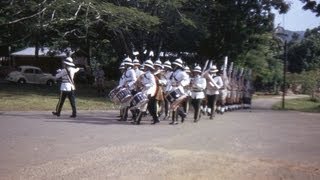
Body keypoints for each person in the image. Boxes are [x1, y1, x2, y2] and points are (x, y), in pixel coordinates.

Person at [134, 60, 159, 125]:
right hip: (146, 91)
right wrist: (141, 84)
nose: (144, 67)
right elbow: (144, 83)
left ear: (148, 67)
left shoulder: (150, 75)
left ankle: (137, 120)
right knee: (150, 107)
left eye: (145, 66)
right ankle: (156, 119)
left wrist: (144, 85)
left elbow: (152, 84)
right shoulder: (144, 75)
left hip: (150, 92)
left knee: (144, 105)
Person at [168, 58, 189, 125]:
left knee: (175, 105)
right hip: (172, 90)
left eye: (175, 64)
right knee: (174, 105)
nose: (174, 65)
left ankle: (175, 120)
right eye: (174, 64)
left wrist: (180, 83)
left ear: (178, 65)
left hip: (179, 90)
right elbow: (170, 81)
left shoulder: (183, 73)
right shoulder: (173, 73)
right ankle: (182, 115)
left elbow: (187, 80)